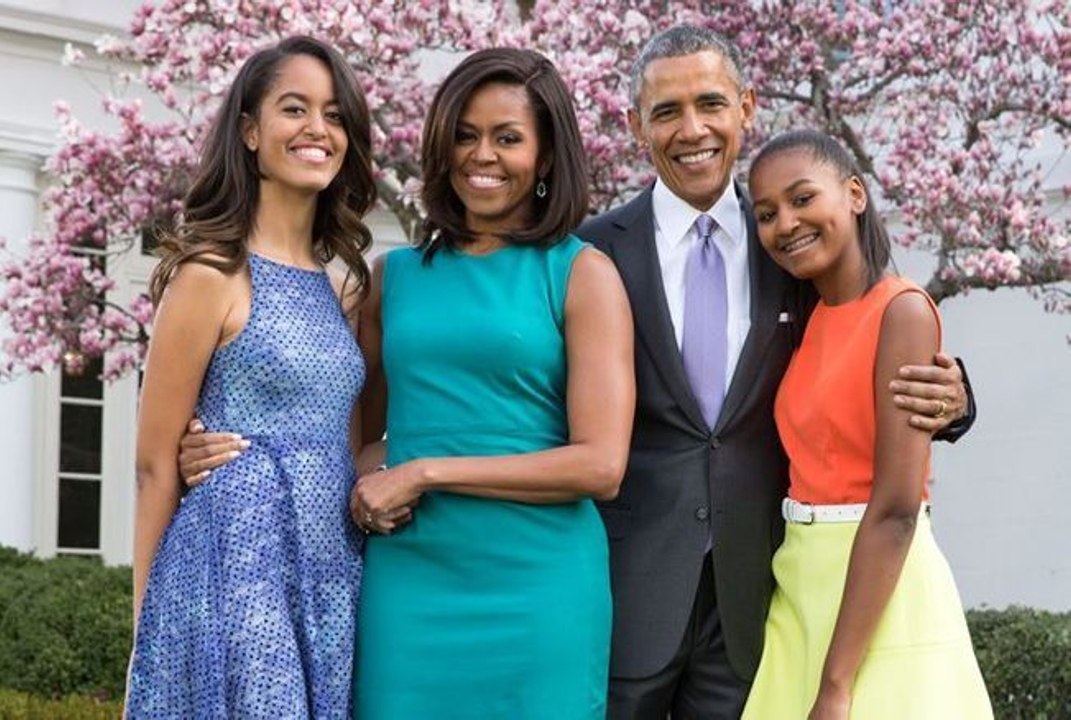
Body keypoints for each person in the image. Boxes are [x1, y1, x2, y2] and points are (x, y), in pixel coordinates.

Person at [573, 25, 976, 719]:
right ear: (635, 125)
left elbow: (870, 331)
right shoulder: (591, 254)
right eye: (666, 111)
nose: (691, 128)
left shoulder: (791, 246)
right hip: (630, 590)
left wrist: (957, 401)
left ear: (746, 108)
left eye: (709, 103)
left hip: (757, 598)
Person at [347, 47, 634, 718]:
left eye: (507, 138)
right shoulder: (393, 278)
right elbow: (350, 440)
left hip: (540, 588)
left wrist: (423, 472)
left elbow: (601, 465)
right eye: (465, 135)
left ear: (545, 157)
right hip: (409, 583)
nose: (482, 154)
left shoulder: (582, 274)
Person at [126, 36, 375, 718]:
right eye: (294, 109)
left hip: (329, 571)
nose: (316, 129)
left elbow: (349, 442)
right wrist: (148, 639)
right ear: (249, 131)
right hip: (233, 569)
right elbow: (153, 467)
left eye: (333, 114)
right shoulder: (211, 275)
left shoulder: (342, 290)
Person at [741, 129, 992, 719]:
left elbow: (898, 508)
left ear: (854, 194)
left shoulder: (900, 310)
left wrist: (836, 683)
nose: (786, 223)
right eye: (768, 213)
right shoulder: (805, 319)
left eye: (803, 199)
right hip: (801, 584)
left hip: (879, 589)